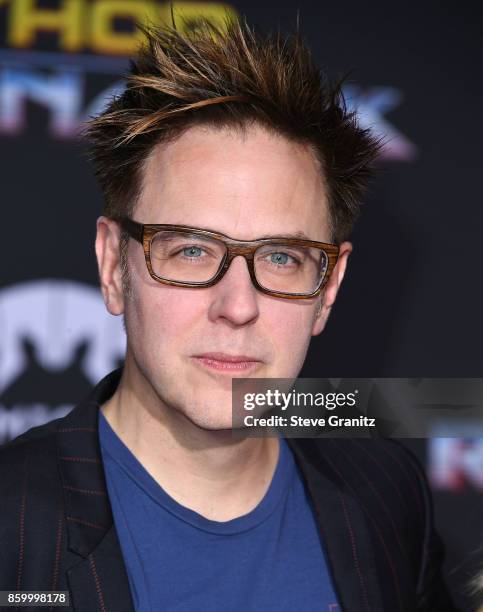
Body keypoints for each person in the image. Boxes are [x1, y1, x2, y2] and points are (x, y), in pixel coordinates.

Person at [0, 17, 457, 612]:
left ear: (329, 287)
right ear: (114, 265)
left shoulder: (384, 492)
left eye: (282, 258)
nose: (238, 307)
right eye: (192, 250)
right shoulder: (11, 528)